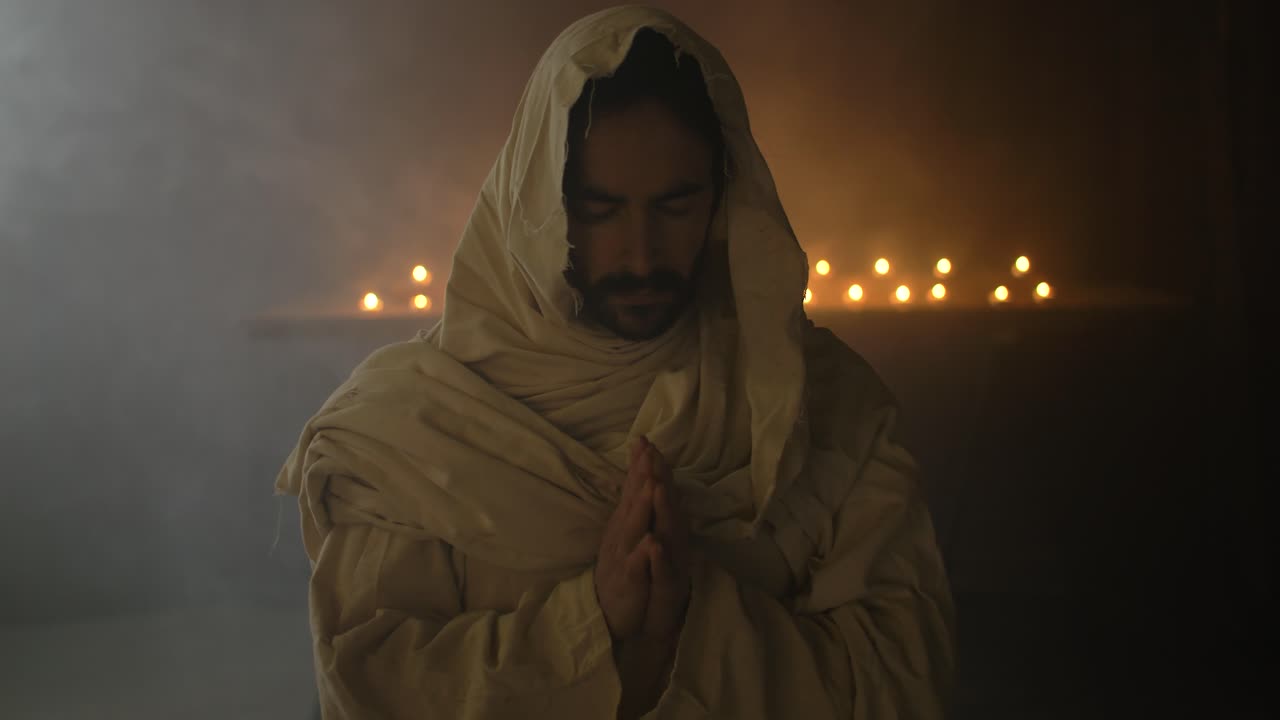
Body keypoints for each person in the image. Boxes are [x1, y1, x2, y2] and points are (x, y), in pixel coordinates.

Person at [277, 6, 954, 719]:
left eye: (676, 204)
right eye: (597, 210)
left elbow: (900, 683)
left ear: (724, 198)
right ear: (538, 204)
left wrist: (690, 622)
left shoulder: (822, 405)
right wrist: (593, 620)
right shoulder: (406, 431)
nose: (640, 257)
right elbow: (372, 688)